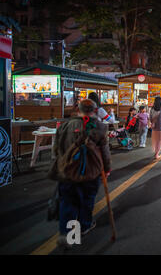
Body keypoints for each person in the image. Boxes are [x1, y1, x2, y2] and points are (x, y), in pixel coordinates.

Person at [51, 99, 111, 248]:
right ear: (95, 111)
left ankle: (67, 234)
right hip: (91, 172)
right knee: (87, 200)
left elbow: (56, 150)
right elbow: (105, 152)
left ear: (78, 109)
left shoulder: (65, 126)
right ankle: (84, 226)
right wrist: (107, 168)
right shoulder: (100, 127)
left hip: (68, 171)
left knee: (68, 202)